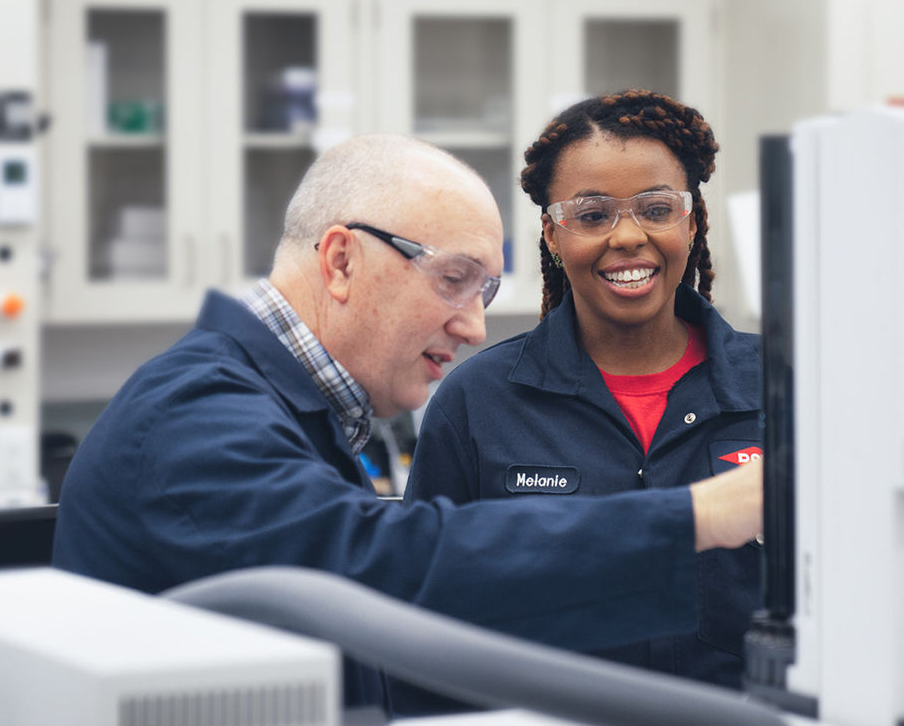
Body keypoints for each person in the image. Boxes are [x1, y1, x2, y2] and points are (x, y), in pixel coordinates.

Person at [52, 133, 762, 715]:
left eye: (485, 291)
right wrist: (693, 516)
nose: (476, 326)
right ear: (340, 260)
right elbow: (384, 571)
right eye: (455, 280)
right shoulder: (198, 416)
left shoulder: (280, 408)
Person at [403, 91, 763, 697]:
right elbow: (420, 621)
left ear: (692, 220)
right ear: (552, 233)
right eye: (593, 215)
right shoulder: (478, 404)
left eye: (656, 208)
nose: (627, 237)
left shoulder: (785, 391)